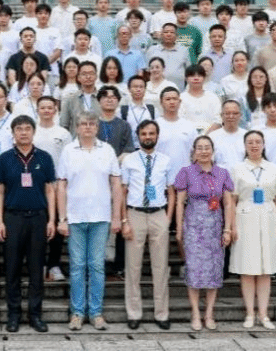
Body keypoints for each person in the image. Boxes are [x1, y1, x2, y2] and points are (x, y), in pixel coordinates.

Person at [57, 111, 122, 331]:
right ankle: (77, 312)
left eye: (91, 124)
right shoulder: (68, 151)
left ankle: (96, 313)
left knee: (96, 266)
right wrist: (62, 218)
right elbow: (61, 186)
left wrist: (116, 216)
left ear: (97, 127)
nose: (87, 127)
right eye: (83, 124)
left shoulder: (107, 150)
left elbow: (116, 185)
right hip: (75, 217)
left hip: (100, 217)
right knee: (77, 266)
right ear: (77, 127)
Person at [0, 115, 56, 331]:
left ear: (33, 131)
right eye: (19, 129)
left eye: (27, 128)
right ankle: (13, 315)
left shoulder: (44, 158)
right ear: (13, 133)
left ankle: (35, 315)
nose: (23, 132)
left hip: (38, 218)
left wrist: (52, 220)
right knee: (12, 269)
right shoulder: (4, 159)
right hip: (13, 218)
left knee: (36, 269)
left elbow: (50, 190)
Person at [175, 136, 235, 331]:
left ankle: (209, 313)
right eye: (199, 148)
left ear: (212, 150)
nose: (203, 151)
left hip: (215, 226)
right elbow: (179, 202)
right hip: (193, 226)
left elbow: (228, 203)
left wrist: (228, 229)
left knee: (214, 270)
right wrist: (179, 229)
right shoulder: (186, 172)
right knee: (193, 270)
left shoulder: (222, 173)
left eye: (207, 147)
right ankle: (195, 313)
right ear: (194, 151)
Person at [230, 130, 276, 330]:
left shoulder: (273, 168)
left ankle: (263, 314)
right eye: (250, 142)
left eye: (258, 142)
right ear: (245, 146)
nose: (254, 145)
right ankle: (249, 313)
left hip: (268, 217)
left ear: (264, 145)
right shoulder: (237, 169)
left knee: (265, 269)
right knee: (247, 269)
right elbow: (231, 199)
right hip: (244, 218)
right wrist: (231, 226)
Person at [120, 120, 174, 329]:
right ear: (138, 136)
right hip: (135, 214)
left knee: (160, 267)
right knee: (133, 267)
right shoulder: (129, 160)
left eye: (151, 133)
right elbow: (123, 192)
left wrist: (168, 218)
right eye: (144, 134)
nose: (148, 137)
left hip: (158, 214)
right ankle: (134, 313)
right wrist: (124, 220)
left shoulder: (166, 160)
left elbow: (172, 191)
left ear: (157, 136)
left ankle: (162, 314)